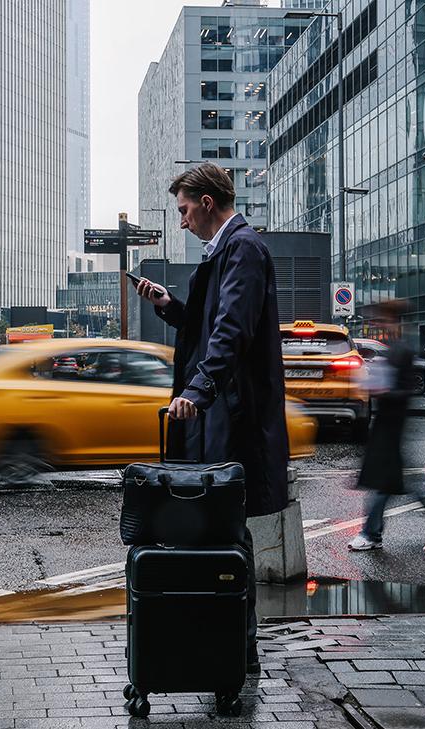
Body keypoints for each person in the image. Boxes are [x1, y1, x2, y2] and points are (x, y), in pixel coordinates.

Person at [132, 162, 289, 674]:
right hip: (221, 410)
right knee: (220, 528)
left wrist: (198, 391)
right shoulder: (224, 249)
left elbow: (231, 331)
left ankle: (236, 650)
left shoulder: (242, 248)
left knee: (227, 529)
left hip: (232, 413)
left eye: (183, 210)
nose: (181, 222)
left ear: (205, 202)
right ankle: (226, 644)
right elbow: (206, 325)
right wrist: (169, 305)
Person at [348, 301, 416, 552]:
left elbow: (406, 390)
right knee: (390, 479)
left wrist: (383, 390)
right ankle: (373, 531)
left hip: (391, 425)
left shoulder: (402, 349)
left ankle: (370, 533)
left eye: (382, 319)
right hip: (387, 424)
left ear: (393, 320)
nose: (378, 324)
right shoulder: (396, 347)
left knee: (383, 481)